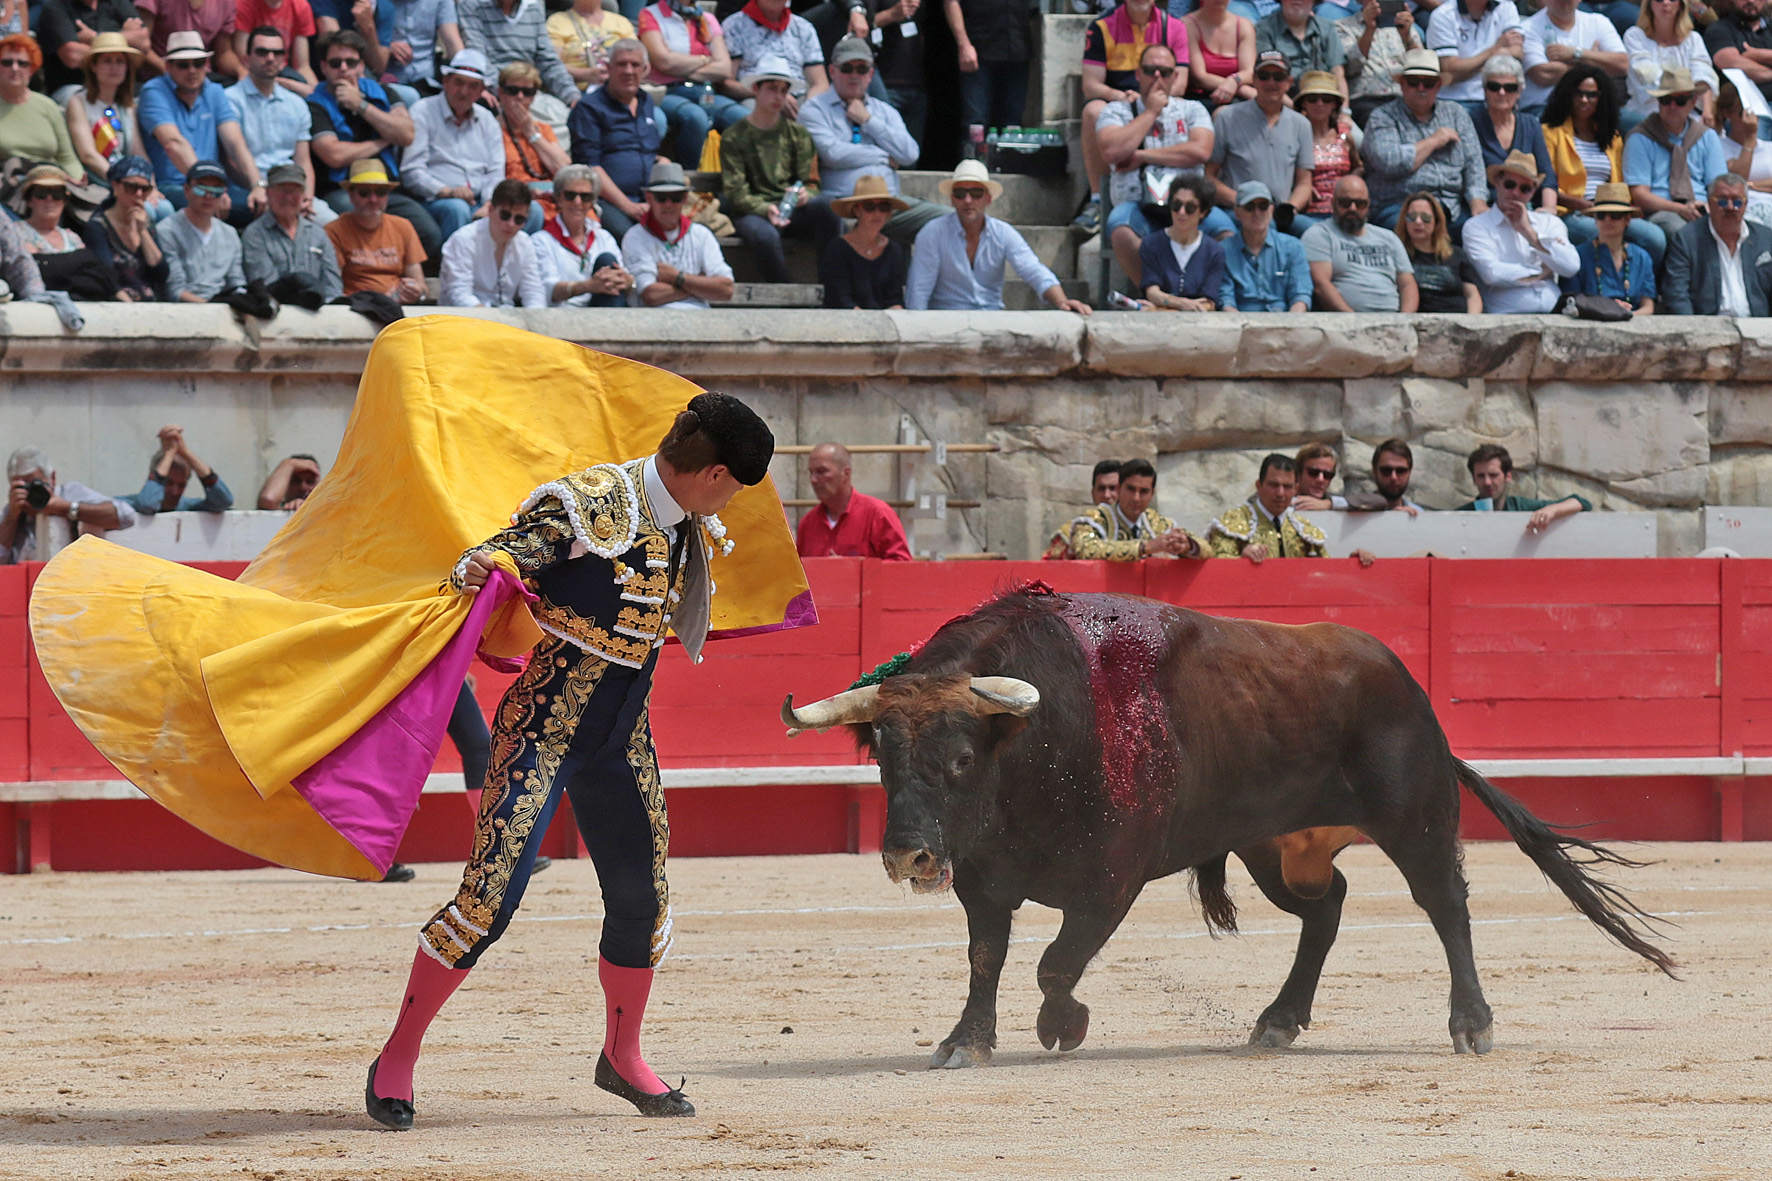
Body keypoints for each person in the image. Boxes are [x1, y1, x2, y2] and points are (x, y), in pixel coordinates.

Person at [363, 393, 777, 1127]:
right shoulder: (594, 503)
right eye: (735, 489)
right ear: (715, 475)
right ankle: (396, 1056)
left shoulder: (683, 521)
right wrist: (490, 563)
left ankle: (622, 1057)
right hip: (541, 733)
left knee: (641, 903)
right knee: (488, 900)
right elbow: (500, 549)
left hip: (621, 741)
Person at [800, 36, 942, 246]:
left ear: (871, 74)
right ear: (832, 71)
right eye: (847, 68)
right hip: (844, 207)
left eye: (862, 69)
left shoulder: (885, 111)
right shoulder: (813, 109)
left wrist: (868, 120)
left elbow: (910, 154)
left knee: (946, 221)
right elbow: (833, 154)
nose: (854, 75)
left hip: (887, 205)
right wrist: (884, 156)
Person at [308, 30, 437, 258]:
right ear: (324, 66)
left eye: (351, 62)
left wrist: (361, 106)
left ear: (362, 65)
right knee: (356, 223)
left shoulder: (384, 93)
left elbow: (406, 134)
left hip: (385, 189)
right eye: (336, 63)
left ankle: (393, 273)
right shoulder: (315, 104)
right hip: (343, 190)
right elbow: (334, 155)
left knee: (429, 233)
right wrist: (381, 140)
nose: (344, 69)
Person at [906, 160, 1093, 314]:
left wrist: (1062, 302)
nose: (968, 200)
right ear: (952, 199)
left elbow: (1033, 270)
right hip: (946, 322)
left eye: (976, 193)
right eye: (960, 193)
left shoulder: (1003, 233)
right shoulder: (932, 233)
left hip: (991, 320)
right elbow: (919, 290)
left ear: (988, 199)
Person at [719, 53, 841, 285]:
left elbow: (811, 181)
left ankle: (832, 285)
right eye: (772, 89)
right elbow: (736, 192)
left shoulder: (798, 134)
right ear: (756, 89)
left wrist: (806, 194)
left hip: (792, 208)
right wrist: (766, 209)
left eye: (784, 90)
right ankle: (785, 290)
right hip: (753, 211)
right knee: (764, 236)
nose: (779, 96)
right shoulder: (734, 137)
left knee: (828, 209)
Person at [1099, 43, 1215, 284]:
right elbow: (1112, 150)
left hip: (1190, 205)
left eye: (1166, 71)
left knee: (1226, 231)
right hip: (1137, 203)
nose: (1158, 77)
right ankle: (1154, 293)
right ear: (1138, 74)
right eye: (1151, 70)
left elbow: (1200, 151)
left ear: (1176, 76)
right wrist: (1150, 112)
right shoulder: (1116, 111)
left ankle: (1206, 296)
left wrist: (1142, 155)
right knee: (1120, 229)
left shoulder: (1193, 109)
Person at [1076, 0, 1192, 236]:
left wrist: (1149, 99)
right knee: (1092, 111)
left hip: (1161, 97)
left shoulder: (1175, 27)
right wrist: (1121, 96)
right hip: (1120, 102)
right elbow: (1090, 85)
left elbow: (1180, 83)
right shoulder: (1102, 26)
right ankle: (1098, 199)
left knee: (1187, 109)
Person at [1362, 48, 1489, 231]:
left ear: (1438, 86)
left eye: (1428, 83)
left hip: (1449, 207)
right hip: (1399, 205)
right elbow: (1389, 162)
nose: (1421, 88)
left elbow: (1474, 163)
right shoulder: (1382, 117)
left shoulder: (1456, 114)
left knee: (1483, 228)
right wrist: (1434, 141)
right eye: (1414, 82)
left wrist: (1477, 202)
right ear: (1403, 84)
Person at [140, 30, 266, 215]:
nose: (192, 70)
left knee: (264, 205)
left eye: (198, 63)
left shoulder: (214, 91)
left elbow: (235, 143)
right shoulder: (154, 91)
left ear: (206, 65)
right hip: (174, 185)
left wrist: (258, 184)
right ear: (168, 67)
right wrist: (209, 188)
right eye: (183, 65)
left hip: (215, 186)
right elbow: (173, 143)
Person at [1542, 63, 1662, 256]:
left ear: (1601, 98)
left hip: (1611, 210)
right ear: (1568, 95)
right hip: (1571, 212)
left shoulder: (1612, 137)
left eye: (1592, 95)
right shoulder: (1550, 132)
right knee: (1597, 234)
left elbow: (1620, 183)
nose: (1584, 99)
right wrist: (1579, 204)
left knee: (1654, 239)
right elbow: (1545, 182)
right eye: (1578, 93)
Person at [1206, 52, 1315, 238]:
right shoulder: (1227, 117)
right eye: (1264, 76)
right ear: (1254, 80)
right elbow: (1209, 176)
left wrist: (1291, 208)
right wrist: (1246, 202)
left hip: (1281, 211)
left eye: (1278, 77)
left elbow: (1304, 182)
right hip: (1238, 211)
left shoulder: (1302, 124)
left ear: (1289, 82)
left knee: (1317, 235)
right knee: (1264, 228)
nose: (1271, 82)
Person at [403, 49, 505, 244]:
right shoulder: (422, 111)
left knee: (528, 211)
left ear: (481, 90)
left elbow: (495, 171)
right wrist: (447, 191)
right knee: (457, 208)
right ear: (446, 81)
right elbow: (412, 171)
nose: (464, 91)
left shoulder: (487, 119)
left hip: (481, 202)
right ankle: (457, 271)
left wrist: (490, 203)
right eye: (459, 82)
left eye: (473, 86)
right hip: (436, 200)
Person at [228, 27, 328, 226]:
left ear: (284, 60)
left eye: (277, 53)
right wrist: (266, 190)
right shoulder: (228, 100)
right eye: (262, 52)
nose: (270, 58)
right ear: (246, 58)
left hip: (292, 189)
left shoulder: (296, 104)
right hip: (247, 190)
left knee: (332, 225)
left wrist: (307, 196)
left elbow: (303, 161)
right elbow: (230, 161)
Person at [1623, 66, 1727, 254]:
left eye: (1680, 101)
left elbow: (1719, 186)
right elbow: (1639, 195)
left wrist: (1705, 206)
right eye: (1665, 100)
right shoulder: (1640, 137)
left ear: (1693, 102)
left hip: (1702, 208)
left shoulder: (1707, 137)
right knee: (1683, 233)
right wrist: (1680, 209)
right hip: (1660, 211)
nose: (1672, 106)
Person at [567, 39, 662, 243]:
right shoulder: (589, 108)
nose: (628, 71)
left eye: (635, 65)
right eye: (621, 64)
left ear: (645, 69)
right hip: (606, 200)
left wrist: (662, 164)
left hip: (649, 198)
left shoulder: (646, 102)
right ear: (608, 68)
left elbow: (646, 151)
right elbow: (590, 167)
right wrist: (629, 206)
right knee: (632, 238)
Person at [1463, 147, 1578, 311]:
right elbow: (1492, 274)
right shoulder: (1476, 226)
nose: (1516, 193)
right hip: (1507, 318)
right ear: (1497, 183)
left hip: (1554, 314)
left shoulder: (1549, 223)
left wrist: (1529, 233)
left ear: (1532, 193)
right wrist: (1542, 271)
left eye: (1525, 189)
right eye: (1510, 185)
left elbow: (1571, 266)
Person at [636, 0, 740, 170]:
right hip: (668, 91)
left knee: (742, 118)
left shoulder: (708, 18)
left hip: (704, 91)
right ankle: (688, 177)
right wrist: (706, 60)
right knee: (695, 117)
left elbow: (724, 68)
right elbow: (664, 61)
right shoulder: (650, 14)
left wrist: (680, 68)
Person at [621, 160, 735, 309]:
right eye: (661, 198)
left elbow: (726, 290)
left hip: (700, 323)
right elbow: (650, 295)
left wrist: (678, 277)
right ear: (649, 198)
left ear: (685, 198)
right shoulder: (635, 237)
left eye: (676, 197)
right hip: (652, 324)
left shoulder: (702, 234)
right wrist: (700, 285)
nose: (668, 204)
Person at [1, 447, 135, 565]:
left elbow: (125, 515)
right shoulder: (13, 511)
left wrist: (66, 508)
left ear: (52, 478)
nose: (30, 492)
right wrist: (12, 518)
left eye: (33, 483)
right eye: (22, 486)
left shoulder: (70, 493)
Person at [1303, 172, 1418, 310]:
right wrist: (1354, 321)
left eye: (1360, 204)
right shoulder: (1320, 234)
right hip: (1346, 323)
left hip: (1393, 321)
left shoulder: (1389, 238)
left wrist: (1404, 322)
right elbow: (1321, 285)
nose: (1352, 208)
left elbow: (1407, 284)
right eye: (1345, 203)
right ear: (1333, 203)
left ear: (1368, 205)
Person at [1664, 171, 1772, 314]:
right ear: (1709, 203)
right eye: (1722, 201)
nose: (1730, 207)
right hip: (1708, 328)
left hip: (1758, 328)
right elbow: (1676, 294)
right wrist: (1693, 330)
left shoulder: (1766, 237)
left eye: (1737, 202)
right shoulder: (1687, 239)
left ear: (1745, 205)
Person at [64, 33, 156, 197]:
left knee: (164, 208)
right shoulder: (77, 102)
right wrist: (123, 183)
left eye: (120, 61)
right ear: (94, 66)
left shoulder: (127, 107)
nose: (114, 67)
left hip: (130, 183)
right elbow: (88, 155)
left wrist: (150, 185)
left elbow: (138, 153)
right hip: (99, 183)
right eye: (107, 61)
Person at [325, 156, 427, 300]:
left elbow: (420, 284)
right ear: (351, 195)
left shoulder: (403, 226)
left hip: (398, 307)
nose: (373, 199)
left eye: (380, 192)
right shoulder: (334, 230)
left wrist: (415, 292)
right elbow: (333, 286)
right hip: (355, 308)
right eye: (364, 193)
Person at [243, 161, 344, 305]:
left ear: (303, 195)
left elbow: (333, 285)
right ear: (268, 192)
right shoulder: (255, 234)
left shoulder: (318, 234)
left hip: (319, 311)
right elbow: (266, 285)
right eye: (282, 190)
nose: (288, 197)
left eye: (295, 191)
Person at [456, 0, 583, 114]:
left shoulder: (534, 6)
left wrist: (571, 96)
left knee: (574, 115)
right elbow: (477, 57)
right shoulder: (471, 5)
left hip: (529, 92)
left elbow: (549, 62)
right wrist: (508, 92)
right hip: (495, 92)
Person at [440, 177, 549, 306]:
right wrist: (491, 322)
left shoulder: (525, 242)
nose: (511, 224)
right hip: (461, 320)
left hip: (505, 316)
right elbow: (460, 294)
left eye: (519, 219)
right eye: (505, 215)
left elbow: (533, 291)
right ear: (490, 210)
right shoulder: (463, 239)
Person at [535, 163, 633, 307]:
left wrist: (629, 281)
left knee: (607, 260)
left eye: (585, 197)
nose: (577, 202)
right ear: (558, 198)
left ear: (592, 202)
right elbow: (547, 290)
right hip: (562, 317)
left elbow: (624, 277)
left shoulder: (603, 237)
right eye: (570, 195)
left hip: (603, 307)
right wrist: (588, 286)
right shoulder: (541, 240)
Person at [1067, 457, 1202, 560]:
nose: (1136, 498)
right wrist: (1145, 547)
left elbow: (1207, 548)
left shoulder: (1158, 523)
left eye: (1143, 491)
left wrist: (1187, 545)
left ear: (1152, 494)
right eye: (1131, 489)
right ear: (1119, 488)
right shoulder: (1094, 519)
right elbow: (1086, 549)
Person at [794, 442, 912, 559]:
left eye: (821, 471)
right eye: (811, 472)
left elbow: (902, 567)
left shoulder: (877, 514)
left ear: (846, 473)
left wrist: (852, 569)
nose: (813, 479)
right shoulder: (808, 524)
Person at [1205, 453, 1332, 561]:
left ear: (1295, 489)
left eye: (1287, 487)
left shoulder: (1304, 529)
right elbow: (1217, 565)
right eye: (1273, 485)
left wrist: (1351, 562)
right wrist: (1241, 559)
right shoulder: (1233, 522)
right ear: (1259, 486)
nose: (1280, 493)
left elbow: (1327, 571)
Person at [1473, 55, 1557, 213]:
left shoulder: (1530, 124)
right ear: (1484, 90)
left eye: (1510, 87)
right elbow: (1469, 174)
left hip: (1525, 206)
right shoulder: (1472, 122)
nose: (1502, 93)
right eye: (1494, 86)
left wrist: (1549, 208)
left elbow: (1546, 174)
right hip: (1486, 206)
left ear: (1519, 91)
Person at [940, 0, 1031, 146]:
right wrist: (964, 45)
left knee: (1013, 122)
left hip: (1017, 50)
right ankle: (973, 164)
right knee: (976, 123)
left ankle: (1009, 163)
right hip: (979, 50)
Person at [0, 35, 87, 183]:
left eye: (22, 63)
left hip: (51, 184)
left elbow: (67, 158)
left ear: (32, 69)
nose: (15, 68)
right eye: (7, 62)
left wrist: (78, 179)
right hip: (8, 184)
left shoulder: (48, 106)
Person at [495, 61, 570, 227]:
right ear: (501, 93)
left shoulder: (542, 129)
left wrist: (531, 133)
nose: (520, 97)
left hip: (551, 198)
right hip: (515, 203)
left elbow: (564, 170)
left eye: (527, 92)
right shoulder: (491, 129)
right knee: (534, 210)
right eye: (513, 91)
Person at [83, 154, 169, 300]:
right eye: (131, 187)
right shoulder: (97, 227)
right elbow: (107, 276)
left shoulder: (146, 224)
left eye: (145, 189)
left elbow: (161, 273)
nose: (138, 194)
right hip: (118, 303)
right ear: (115, 186)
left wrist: (142, 231)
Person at [160, 160, 248, 301]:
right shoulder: (167, 230)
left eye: (216, 191)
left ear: (224, 194)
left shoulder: (230, 234)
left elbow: (237, 283)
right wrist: (211, 311)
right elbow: (175, 291)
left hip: (225, 306)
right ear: (187, 190)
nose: (208, 196)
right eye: (201, 189)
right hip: (185, 311)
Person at [1220, 178, 1313, 310]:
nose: (1257, 213)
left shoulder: (1293, 247)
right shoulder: (1223, 251)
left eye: (1263, 206)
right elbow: (1225, 301)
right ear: (1237, 213)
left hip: (1285, 322)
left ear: (1271, 210)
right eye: (1249, 207)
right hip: (1241, 322)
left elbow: (1301, 296)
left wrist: (1291, 325)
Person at [1136, 173, 1226, 307]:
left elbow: (1209, 302)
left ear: (1203, 212)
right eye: (1176, 205)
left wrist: (1166, 303)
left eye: (1190, 207)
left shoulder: (1214, 251)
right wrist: (1181, 304)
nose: (1181, 212)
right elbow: (1152, 292)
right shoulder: (1151, 244)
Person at [1521, 0, 1626, 115]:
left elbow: (1623, 65)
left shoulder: (1598, 22)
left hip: (1594, 108)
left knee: (1636, 124)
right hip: (1544, 107)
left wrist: (1577, 53)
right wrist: (1593, 63)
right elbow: (1543, 75)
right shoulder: (1528, 28)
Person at [719, 0, 828, 111]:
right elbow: (726, 83)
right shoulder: (734, 25)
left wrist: (806, 109)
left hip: (798, 98)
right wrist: (772, 95)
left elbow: (820, 83)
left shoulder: (804, 28)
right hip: (753, 96)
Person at [37, 0, 154, 101]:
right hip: (78, 87)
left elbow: (143, 42)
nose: (110, 60)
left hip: (125, 88)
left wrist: (94, 37)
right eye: (107, 60)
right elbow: (72, 55)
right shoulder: (55, 7)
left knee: (149, 97)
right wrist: (123, 40)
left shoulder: (118, 3)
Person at [820, 174, 907, 308]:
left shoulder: (894, 249)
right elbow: (841, 301)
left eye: (883, 207)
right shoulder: (837, 249)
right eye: (869, 206)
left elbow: (895, 299)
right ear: (857, 210)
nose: (877, 213)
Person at [1457, 442, 1589, 528]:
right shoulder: (1460, 516)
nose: (1487, 482)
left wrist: (1551, 511)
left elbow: (1582, 503)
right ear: (1473, 479)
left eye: (1493, 475)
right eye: (1481, 476)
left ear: (1508, 476)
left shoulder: (1521, 507)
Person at [1625, 0, 1715, 126]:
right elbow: (1646, 75)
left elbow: (1703, 76)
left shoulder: (1693, 39)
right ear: (1649, 5)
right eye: (1659, 0)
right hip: (1648, 111)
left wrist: (1707, 111)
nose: (1666, 3)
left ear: (1681, 5)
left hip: (1687, 109)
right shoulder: (1635, 36)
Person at [1571, 181, 1655, 313]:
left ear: (1627, 219)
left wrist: (1627, 315)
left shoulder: (1642, 257)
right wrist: (1609, 310)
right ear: (1595, 219)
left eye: (1615, 215)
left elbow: (1648, 306)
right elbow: (1572, 301)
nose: (1607, 220)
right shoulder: (1578, 255)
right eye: (1601, 215)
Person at [1424, 0, 1524, 110]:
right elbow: (1449, 69)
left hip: (1498, 94)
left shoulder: (1506, 7)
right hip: (1456, 100)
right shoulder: (1442, 15)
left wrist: (1470, 66)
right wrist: (1493, 50)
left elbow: (1517, 52)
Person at [1337, 0, 1421, 129]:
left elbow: (1422, 68)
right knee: (1381, 120)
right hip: (1366, 100)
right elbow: (1351, 68)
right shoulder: (1343, 27)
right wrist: (1369, 29)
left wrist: (1407, 37)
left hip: (1404, 99)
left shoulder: (1403, 25)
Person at [1397, 188, 1482, 311]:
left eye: (1426, 217)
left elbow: (1472, 295)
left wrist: (1471, 323)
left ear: (1437, 221)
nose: (1418, 222)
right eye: (1412, 217)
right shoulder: (1399, 254)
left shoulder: (1456, 254)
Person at [127, 424, 234, 515]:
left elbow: (224, 501)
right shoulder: (126, 505)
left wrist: (186, 453)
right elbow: (147, 505)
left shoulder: (187, 507)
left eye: (181, 485)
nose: (175, 492)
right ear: (153, 479)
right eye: (167, 483)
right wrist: (169, 454)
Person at [1256, 0, 1347, 101]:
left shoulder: (1327, 28)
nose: (1298, 1)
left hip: (1322, 99)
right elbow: (1266, 78)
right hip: (1282, 99)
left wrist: (1344, 112)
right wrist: (1293, 109)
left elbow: (1338, 72)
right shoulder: (1264, 29)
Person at [1182, 0, 1256, 123]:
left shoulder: (1244, 25)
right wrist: (1241, 89)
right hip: (1202, 98)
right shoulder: (1187, 25)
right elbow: (1199, 77)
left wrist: (1233, 81)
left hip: (1238, 98)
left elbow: (1249, 71)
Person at [1299, 69, 1357, 223]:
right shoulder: (1295, 136)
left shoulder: (1345, 134)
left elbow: (1359, 166)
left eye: (1326, 99)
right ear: (1303, 103)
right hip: (1309, 211)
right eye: (1313, 99)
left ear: (1334, 104)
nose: (1320, 104)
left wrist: (1349, 185)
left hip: (1345, 210)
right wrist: (1301, 188)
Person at [137, 0, 244, 79]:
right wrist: (168, 69)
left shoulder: (226, 2)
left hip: (203, 77)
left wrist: (241, 71)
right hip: (158, 77)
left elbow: (223, 53)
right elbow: (139, 44)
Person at [871, 0, 926, 149]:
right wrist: (891, 14)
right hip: (885, 86)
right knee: (888, 147)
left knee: (911, 153)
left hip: (917, 85)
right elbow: (860, 24)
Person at [233, 0, 318, 93]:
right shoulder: (244, 4)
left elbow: (303, 66)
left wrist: (317, 94)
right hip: (254, 71)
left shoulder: (300, 6)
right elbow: (245, 60)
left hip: (281, 71)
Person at [1718, 81, 1772, 226]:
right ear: (1727, 113)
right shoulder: (1719, 146)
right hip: (1743, 213)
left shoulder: (1769, 147)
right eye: (1744, 111)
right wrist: (1749, 139)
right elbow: (1734, 181)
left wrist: (1750, 185)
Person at [551, 0, 633, 92]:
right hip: (577, 91)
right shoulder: (556, 22)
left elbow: (640, 61)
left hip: (620, 90)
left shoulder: (621, 22)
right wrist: (584, 74)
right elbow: (551, 65)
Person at [1705, 0, 1772, 113]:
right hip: (1746, 110)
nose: (1750, 1)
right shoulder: (1719, 29)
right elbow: (1731, 63)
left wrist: (1757, 55)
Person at [386, 0, 463, 97]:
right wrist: (386, 47)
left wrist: (469, 77)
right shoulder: (376, 3)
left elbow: (453, 43)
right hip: (388, 80)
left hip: (427, 82)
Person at [1291, 440, 1392, 510]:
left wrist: (1329, 504)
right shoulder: (1284, 501)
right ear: (1298, 473)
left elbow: (1379, 501)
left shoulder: (1331, 501)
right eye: (1313, 473)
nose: (1320, 479)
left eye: (1327, 475)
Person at [1366, 437, 1422, 512]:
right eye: (1386, 470)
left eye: (1400, 471)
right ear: (1375, 471)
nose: (1393, 477)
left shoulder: (1419, 515)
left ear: (1409, 472)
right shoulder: (1355, 515)